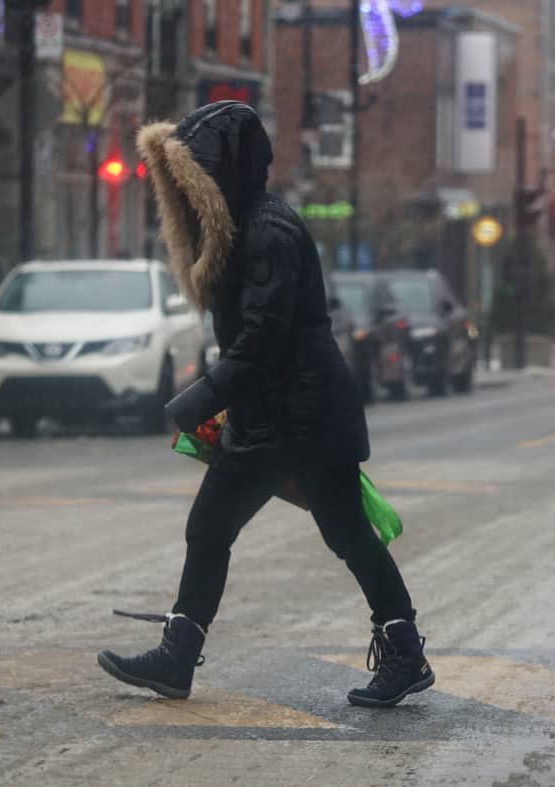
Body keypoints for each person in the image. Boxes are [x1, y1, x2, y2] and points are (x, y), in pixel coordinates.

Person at [97, 102, 433, 708]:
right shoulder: (246, 225)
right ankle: (182, 654)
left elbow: (263, 336)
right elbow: (254, 342)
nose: (185, 192)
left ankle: (403, 652)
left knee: (338, 533)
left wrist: (204, 393)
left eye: (192, 177)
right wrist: (223, 396)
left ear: (222, 172)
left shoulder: (268, 232)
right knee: (230, 528)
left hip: (302, 415)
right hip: (278, 414)